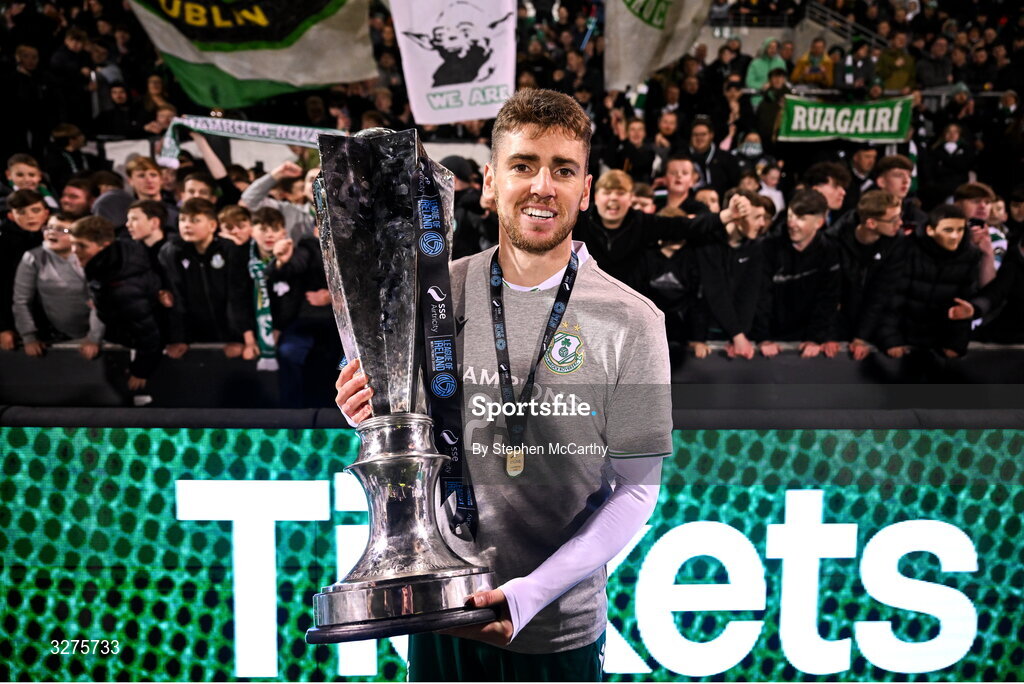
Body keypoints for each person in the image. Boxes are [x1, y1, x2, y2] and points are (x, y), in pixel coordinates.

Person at [335, 88, 671, 681]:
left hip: (554, 630)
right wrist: (368, 408)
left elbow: (638, 491)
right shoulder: (434, 292)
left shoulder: (633, 318)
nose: (542, 185)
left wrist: (528, 596)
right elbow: (405, 428)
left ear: (585, 190)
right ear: (491, 181)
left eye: (563, 170)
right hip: (440, 611)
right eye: (523, 165)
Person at [71, 215, 163, 390]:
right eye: (73, 243)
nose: (75, 250)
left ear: (104, 246)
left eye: (82, 245)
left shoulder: (124, 285)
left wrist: (141, 370)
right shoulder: (111, 265)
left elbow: (149, 334)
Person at [157, 197, 255, 359]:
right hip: (194, 335)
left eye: (195, 220)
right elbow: (176, 298)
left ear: (212, 225)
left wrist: (239, 337)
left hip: (228, 334)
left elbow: (237, 297)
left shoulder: (230, 250)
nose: (187, 225)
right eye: (183, 220)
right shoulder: (171, 252)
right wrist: (179, 338)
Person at [879, 204, 980, 358]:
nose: (955, 236)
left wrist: (956, 343)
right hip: (902, 338)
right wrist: (891, 339)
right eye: (948, 230)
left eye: (960, 230)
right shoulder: (907, 248)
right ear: (930, 230)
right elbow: (892, 297)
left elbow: (963, 304)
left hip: (938, 343)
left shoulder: (970, 256)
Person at [754, 189, 842, 358]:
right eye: (790, 216)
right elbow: (760, 297)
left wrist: (816, 338)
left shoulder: (830, 251)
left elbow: (828, 299)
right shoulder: (767, 247)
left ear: (819, 223)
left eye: (800, 219)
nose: (792, 224)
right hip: (769, 339)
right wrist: (763, 338)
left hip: (806, 340)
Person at [12, 212, 103, 357]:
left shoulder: (91, 258)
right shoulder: (33, 258)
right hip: (55, 334)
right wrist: (29, 337)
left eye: (61, 230)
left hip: (96, 334)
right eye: (48, 228)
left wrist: (94, 338)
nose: (52, 233)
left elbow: (99, 303)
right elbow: (21, 301)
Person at [832, 190, 907, 360]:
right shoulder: (834, 239)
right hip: (838, 321)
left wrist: (861, 337)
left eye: (899, 216)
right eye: (893, 219)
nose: (900, 223)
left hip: (872, 320)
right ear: (871, 223)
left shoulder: (896, 242)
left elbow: (882, 293)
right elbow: (830, 293)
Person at [1, 189, 49, 350]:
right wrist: (3, 327)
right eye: (21, 212)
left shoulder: (55, 239)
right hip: (16, 325)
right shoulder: (4, 244)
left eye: (35, 210)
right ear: (11, 216)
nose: (30, 216)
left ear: (46, 213)